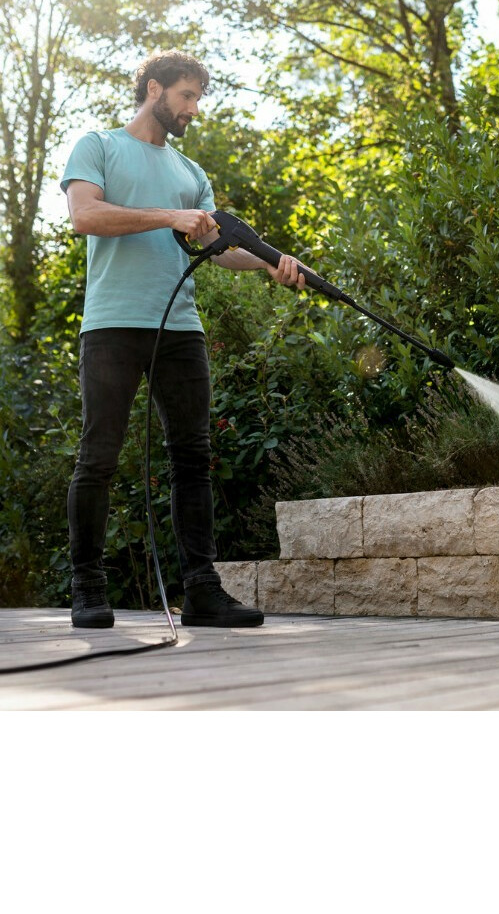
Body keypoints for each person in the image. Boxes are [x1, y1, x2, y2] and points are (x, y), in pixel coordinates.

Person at [59, 49, 305, 629]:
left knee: (192, 459)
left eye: (197, 98)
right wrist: (168, 216)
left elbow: (218, 247)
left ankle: (201, 590)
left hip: (180, 330)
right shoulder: (98, 146)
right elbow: (85, 216)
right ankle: (87, 587)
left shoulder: (192, 174)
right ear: (154, 88)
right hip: (113, 325)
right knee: (98, 457)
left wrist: (271, 264)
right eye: (186, 95)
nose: (194, 108)